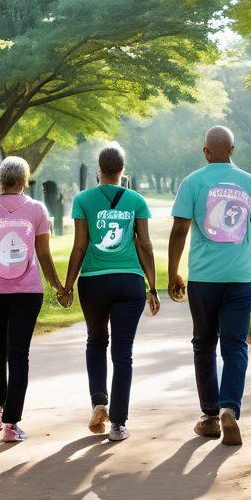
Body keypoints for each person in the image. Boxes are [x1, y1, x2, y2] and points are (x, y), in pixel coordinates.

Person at [168, 126, 251, 447]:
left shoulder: (192, 183)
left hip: (203, 279)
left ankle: (210, 417)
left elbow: (179, 230)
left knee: (204, 344)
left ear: (205, 151)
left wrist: (172, 274)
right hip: (240, 278)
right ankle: (229, 407)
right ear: (232, 150)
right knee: (235, 345)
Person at [59, 143, 159, 442]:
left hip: (94, 282)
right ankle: (118, 424)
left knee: (96, 341)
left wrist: (67, 285)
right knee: (123, 353)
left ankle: (99, 402)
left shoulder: (83, 200)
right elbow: (145, 245)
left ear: (99, 169)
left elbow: (80, 246)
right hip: (129, 282)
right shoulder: (136, 200)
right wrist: (153, 287)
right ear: (122, 169)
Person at [0, 156, 66, 443]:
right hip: (27, 291)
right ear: (24, 180)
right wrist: (58, 286)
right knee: (19, 355)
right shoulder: (37, 209)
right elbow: (43, 253)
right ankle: (11, 423)